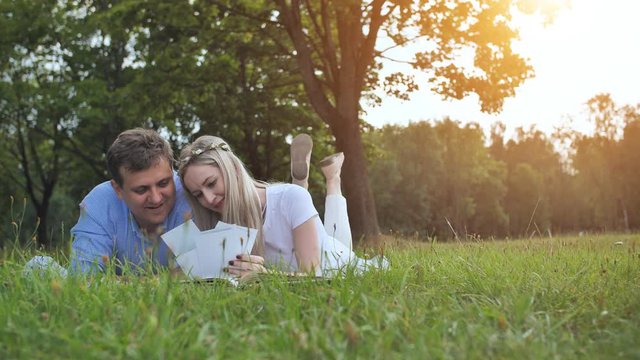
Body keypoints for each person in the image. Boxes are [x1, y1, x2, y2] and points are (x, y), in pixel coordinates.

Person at [178, 134, 386, 278]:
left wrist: (264, 276)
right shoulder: (217, 223)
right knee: (324, 231)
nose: (209, 199)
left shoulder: (288, 198)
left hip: (334, 266)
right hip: (302, 226)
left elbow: (314, 277)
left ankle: (333, 180)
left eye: (211, 184)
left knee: (339, 247)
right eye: (198, 195)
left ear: (233, 168)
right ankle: (326, 178)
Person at [69, 128, 192, 274]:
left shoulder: (190, 193)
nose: (156, 198)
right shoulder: (99, 203)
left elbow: (202, 276)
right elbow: (85, 277)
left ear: (173, 172)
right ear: (118, 190)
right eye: (141, 190)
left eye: (163, 183)